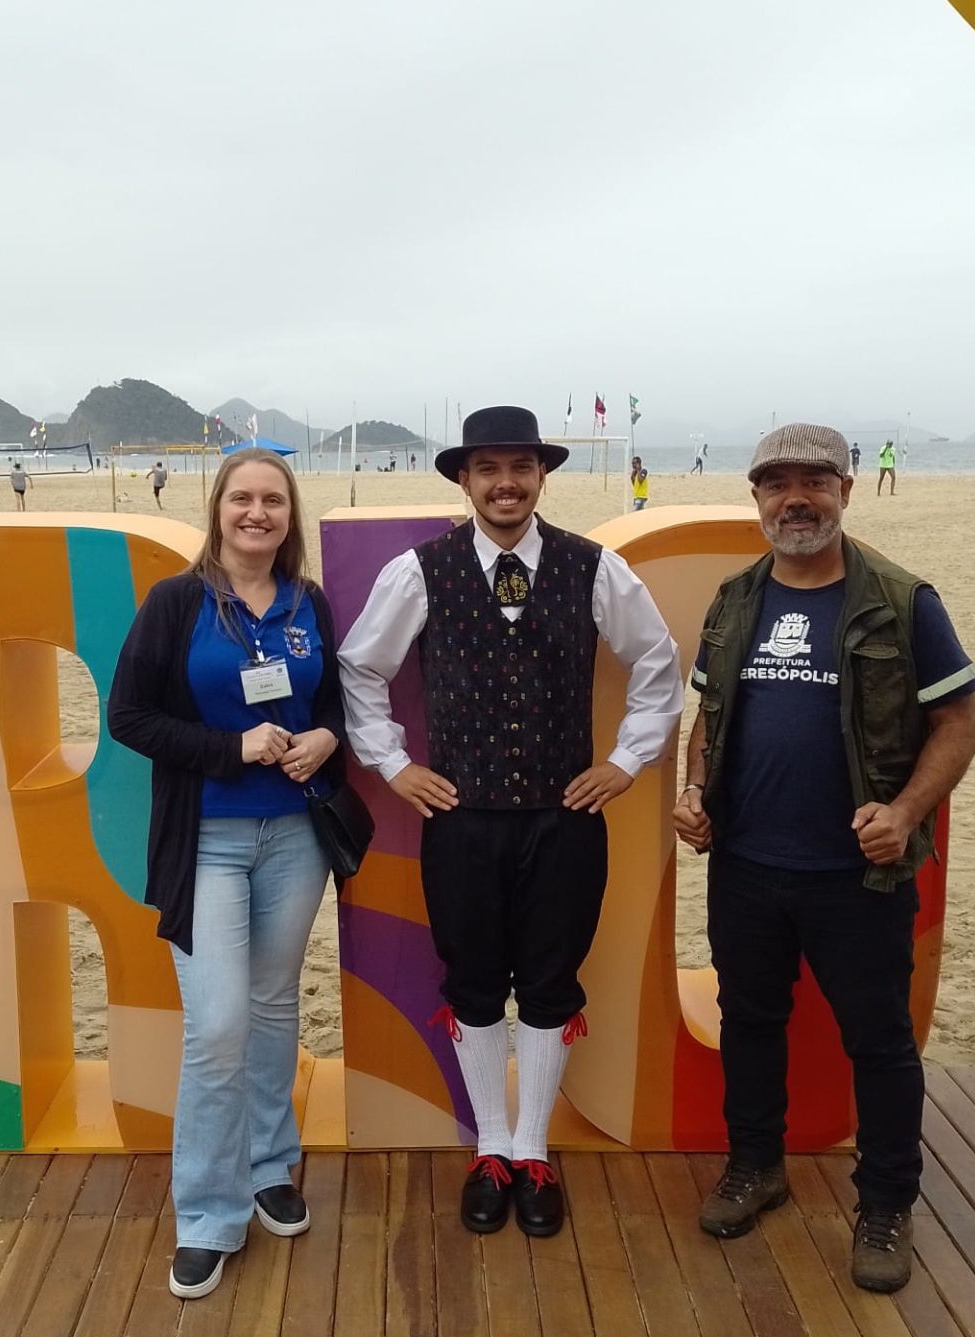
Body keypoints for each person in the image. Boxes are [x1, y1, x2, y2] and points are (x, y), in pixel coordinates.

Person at [340, 405, 682, 1240]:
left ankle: (533, 1148)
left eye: (521, 467)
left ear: (541, 477)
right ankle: (491, 1145)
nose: (506, 483)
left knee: (552, 979)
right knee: (474, 979)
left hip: (565, 820)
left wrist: (626, 760)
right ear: (465, 479)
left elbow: (658, 661)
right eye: (488, 468)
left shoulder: (593, 568)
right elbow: (360, 668)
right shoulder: (420, 572)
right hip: (462, 822)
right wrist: (395, 764)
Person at [673, 423, 975, 1294]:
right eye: (777, 483)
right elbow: (709, 718)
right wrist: (695, 792)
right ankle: (755, 1165)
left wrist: (906, 811)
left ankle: (885, 1204)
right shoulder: (736, 598)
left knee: (879, 1039)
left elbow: (958, 722)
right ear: (757, 497)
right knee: (749, 1019)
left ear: (847, 490)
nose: (796, 499)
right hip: (746, 865)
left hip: (860, 874)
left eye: (814, 481)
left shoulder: (902, 599)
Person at [107, 448, 346, 1301]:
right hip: (205, 840)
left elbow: (331, 699)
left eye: (273, 499)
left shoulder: (308, 602)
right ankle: (209, 1212)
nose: (257, 512)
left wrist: (326, 736)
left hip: (295, 837)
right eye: (242, 497)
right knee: (216, 1026)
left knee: (274, 1005)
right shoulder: (177, 602)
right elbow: (128, 716)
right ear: (217, 509)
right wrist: (227, 747)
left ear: (289, 514)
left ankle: (269, 1163)